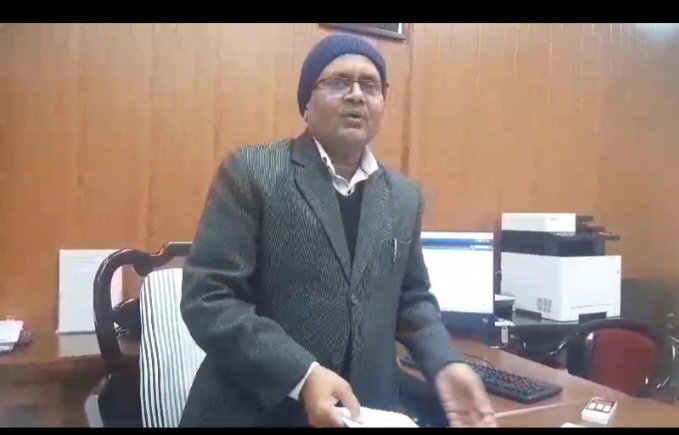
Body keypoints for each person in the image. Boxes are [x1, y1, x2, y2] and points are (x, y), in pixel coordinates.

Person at [179, 33, 497, 428]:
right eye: (339, 82)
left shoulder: (404, 196)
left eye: (370, 85)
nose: (356, 95)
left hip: (363, 412)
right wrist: (303, 375)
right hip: (253, 410)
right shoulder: (253, 172)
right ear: (306, 104)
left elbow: (412, 299)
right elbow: (209, 298)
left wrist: (445, 363)